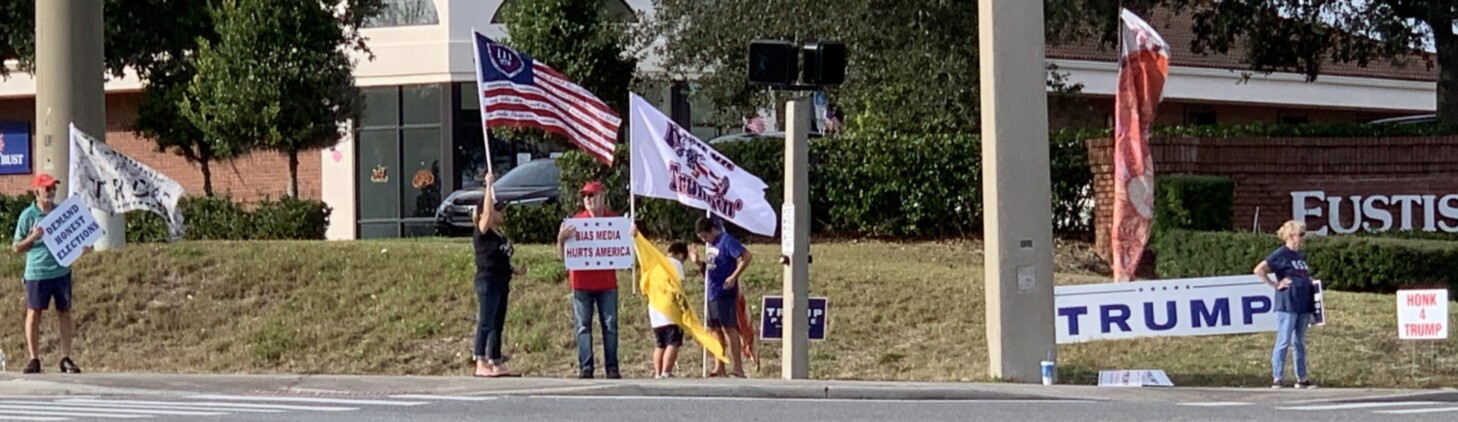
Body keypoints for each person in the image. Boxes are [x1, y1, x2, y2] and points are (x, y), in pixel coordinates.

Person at [11, 173, 85, 374]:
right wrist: (34, 237)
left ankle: (66, 357)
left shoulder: (62, 212)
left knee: (64, 312)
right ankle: (34, 358)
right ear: (37, 192)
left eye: (53, 188)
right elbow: (17, 247)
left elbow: (77, 237)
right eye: (47, 188)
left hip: (61, 270)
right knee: (34, 313)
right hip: (37, 272)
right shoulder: (28, 216)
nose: (51, 192)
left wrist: (83, 246)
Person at [556, 181, 621, 379]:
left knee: (610, 326)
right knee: (583, 326)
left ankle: (612, 367)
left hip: (606, 283)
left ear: (602, 196)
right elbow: (562, 257)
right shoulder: (575, 222)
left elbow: (624, 248)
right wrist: (561, 239)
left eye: (591, 195)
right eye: (585, 196)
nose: (588, 199)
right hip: (581, 283)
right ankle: (586, 367)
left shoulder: (614, 220)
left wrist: (632, 234)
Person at [470, 172, 526, 378]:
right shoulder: (481, 230)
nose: (501, 212)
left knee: (497, 323)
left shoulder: (498, 235)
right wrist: (488, 186)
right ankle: (480, 361)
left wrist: (514, 269)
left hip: (502, 281)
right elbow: (485, 215)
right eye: (497, 209)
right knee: (485, 322)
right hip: (488, 282)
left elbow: (499, 258)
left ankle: (496, 361)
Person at [1254, 220, 1317, 389]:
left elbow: (1300, 275)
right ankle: (1277, 377)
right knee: (1284, 340)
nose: (1303, 238)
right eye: (1301, 234)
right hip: (1288, 303)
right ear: (1291, 236)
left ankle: (1302, 378)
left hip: (1303, 303)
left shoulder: (1300, 256)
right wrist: (1274, 284)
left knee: (1299, 342)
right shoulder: (1281, 253)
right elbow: (1259, 269)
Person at [693, 217, 750, 378]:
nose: (704, 240)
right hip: (711, 292)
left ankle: (738, 367)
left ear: (712, 230)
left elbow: (746, 256)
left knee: (729, 329)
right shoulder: (710, 245)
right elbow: (711, 268)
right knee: (714, 330)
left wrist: (733, 277)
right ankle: (720, 366)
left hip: (724, 292)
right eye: (701, 238)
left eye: (705, 236)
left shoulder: (726, 241)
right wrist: (698, 263)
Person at [650, 242, 690, 379]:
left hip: (654, 307)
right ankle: (666, 371)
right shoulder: (675, 263)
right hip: (670, 307)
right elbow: (678, 286)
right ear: (681, 255)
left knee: (660, 343)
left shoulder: (656, 263)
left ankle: (657, 372)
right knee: (673, 342)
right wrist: (684, 308)